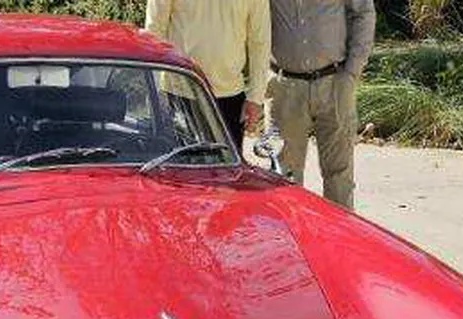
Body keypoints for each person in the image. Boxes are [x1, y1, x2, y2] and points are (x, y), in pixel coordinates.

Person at [267, 0, 376, 210]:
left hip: (334, 83)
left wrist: (352, 71)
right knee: (283, 176)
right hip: (285, 88)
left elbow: (363, 13)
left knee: (339, 176)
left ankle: (340, 240)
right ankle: (290, 240)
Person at [144, 0, 272, 149]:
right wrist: (151, 88)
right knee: (178, 168)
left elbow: (260, 42)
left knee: (227, 170)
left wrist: (256, 98)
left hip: (230, 96)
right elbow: (154, 32)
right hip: (179, 93)